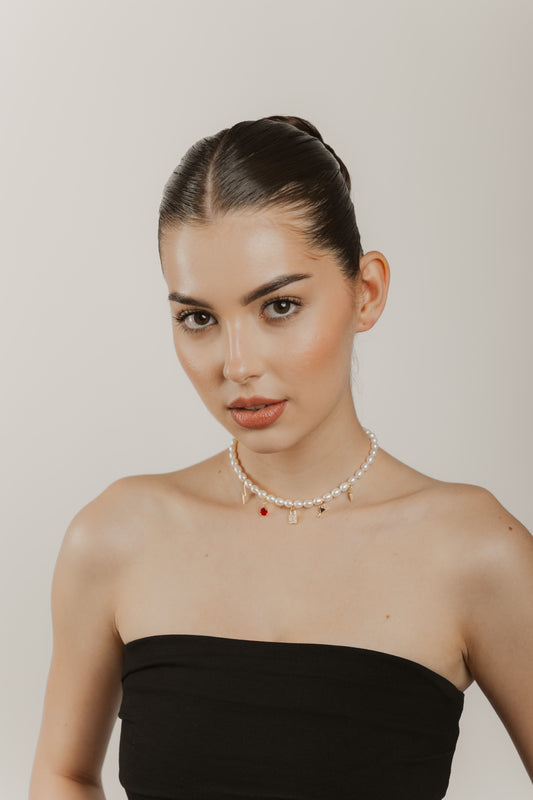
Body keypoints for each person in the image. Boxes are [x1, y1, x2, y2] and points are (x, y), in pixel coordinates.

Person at [29, 115, 533, 800]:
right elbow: (62, 775)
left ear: (366, 292)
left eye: (279, 306)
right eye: (199, 318)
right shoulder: (115, 536)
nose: (237, 365)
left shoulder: (476, 550)